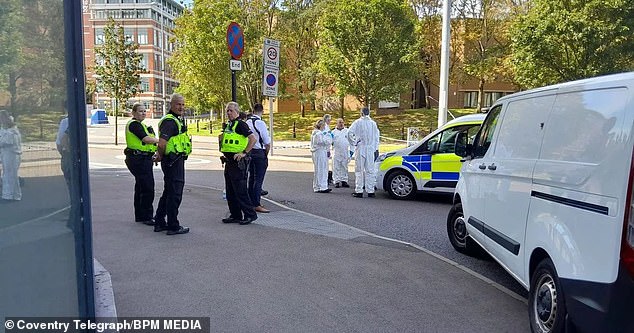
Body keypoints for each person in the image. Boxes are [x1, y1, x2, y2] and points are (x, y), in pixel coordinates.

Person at [153, 94, 192, 235]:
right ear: (171, 105)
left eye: (182, 104)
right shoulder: (170, 122)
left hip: (174, 160)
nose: (181, 107)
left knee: (168, 192)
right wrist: (160, 155)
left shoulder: (177, 119)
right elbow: (162, 143)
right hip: (172, 161)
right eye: (178, 104)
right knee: (175, 194)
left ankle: (159, 221)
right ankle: (173, 226)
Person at [219, 101, 258, 225]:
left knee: (241, 191)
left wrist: (244, 153)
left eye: (231, 110)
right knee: (230, 191)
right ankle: (235, 215)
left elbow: (253, 139)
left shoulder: (241, 124)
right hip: (229, 162)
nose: (229, 113)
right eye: (227, 111)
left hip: (238, 163)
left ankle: (250, 215)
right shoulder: (229, 125)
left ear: (237, 111)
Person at [124, 103, 159, 225]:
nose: (143, 113)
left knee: (140, 187)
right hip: (138, 159)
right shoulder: (134, 125)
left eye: (144, 111)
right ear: (133, 113)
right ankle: (146, 217)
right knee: (147, 187)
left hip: (142, 158)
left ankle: (140, 215)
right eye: (140, 111)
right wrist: (161, 141)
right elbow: (146, 139)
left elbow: (147, 143)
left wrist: (152, 152)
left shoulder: (141, 125)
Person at [347, 107, 380, 198]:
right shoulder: (373, 123)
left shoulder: (358, 122)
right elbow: (377, 137)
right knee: (370, 170)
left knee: (359, 170)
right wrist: (375, 148)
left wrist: (354, 142)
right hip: (370, 149)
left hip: (361, 147)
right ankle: (370, 190)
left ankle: (359, 190)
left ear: (361, 113)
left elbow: (349, 133)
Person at [246, 103, 271, 213]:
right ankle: (256, 203)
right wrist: (266, 153)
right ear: (262, 111)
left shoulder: (247, 122)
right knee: (258, 179)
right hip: (259, 152)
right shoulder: (260, 123)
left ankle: (251, 202)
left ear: (253, 110)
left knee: (252, 178)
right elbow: (267, 141)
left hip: (250, 151)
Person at [0, 110, 22, 201]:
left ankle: (8, 195)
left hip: (12, 154)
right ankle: (16, 195)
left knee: (8, 175)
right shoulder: (7, 129)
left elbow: (7, 142)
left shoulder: (12, 131)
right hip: (8, 154)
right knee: (11, 175)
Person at [310, 119, 332, 193]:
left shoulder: (317, 133)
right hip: (319, 152)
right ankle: (320, 186)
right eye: (323, 125)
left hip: (320, 151)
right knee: (321, 169)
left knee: (320, 169)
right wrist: (328, 138)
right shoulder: (318, 134)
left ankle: (319, 186)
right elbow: (323, 142)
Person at [332, 118, 351, 188]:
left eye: (342, 122)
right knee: (336, 166)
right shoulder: (333, 132)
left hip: (345, 151)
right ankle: (336, 181)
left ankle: (344, 180)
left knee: (344, 166)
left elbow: (351, 140)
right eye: (339, 122)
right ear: (337, 123)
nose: (341, 124)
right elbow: (330, 141)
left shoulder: (347, 131)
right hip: (336, 151)